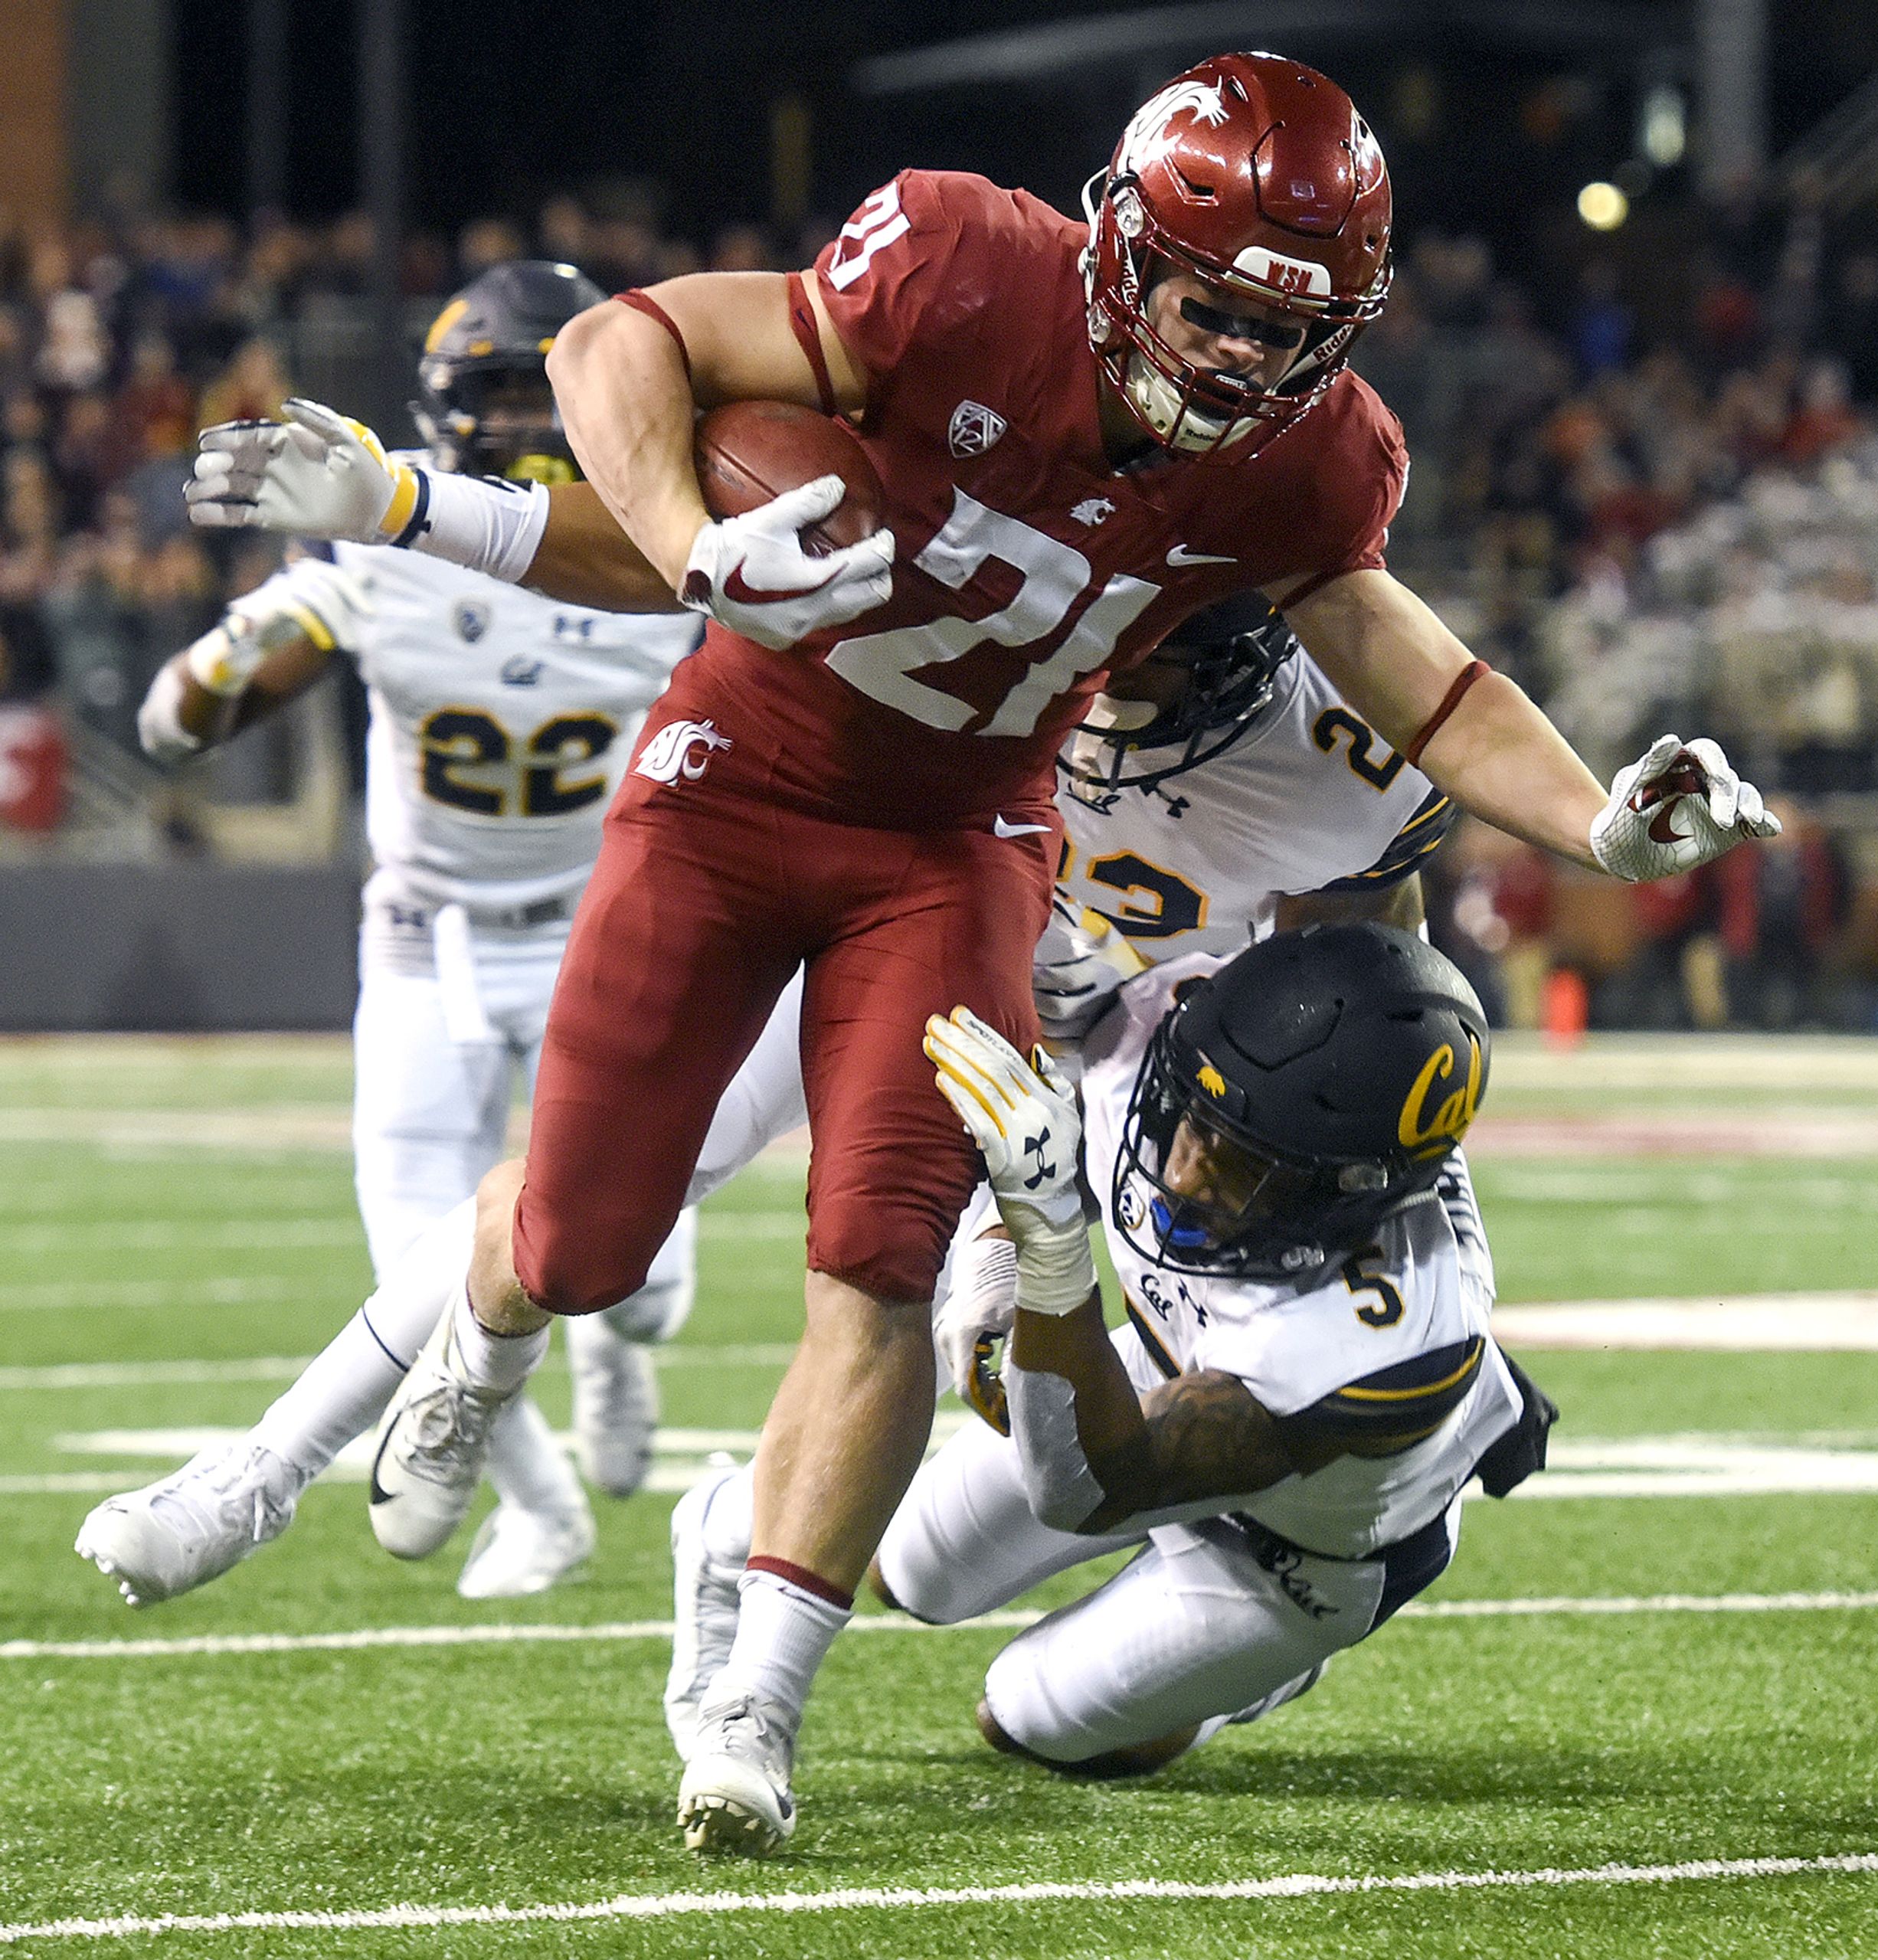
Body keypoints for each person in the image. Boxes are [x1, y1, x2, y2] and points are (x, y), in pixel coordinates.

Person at [185, 51, 1772, 1857]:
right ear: (1121, 250)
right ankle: (330, 1437)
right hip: (861, 847)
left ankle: (770, 1660)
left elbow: (1398, 820)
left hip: (1035, 979)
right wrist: (608, 536)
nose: (1247, 360)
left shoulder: (1309, 585)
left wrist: (1589, 830)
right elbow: (632, 362)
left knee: (921, 1379)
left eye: (1288, 327)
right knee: (598, 1194)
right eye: (1213, 307)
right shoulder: (952, 271)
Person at [79, 263, 702, 1607]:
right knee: (420, 1259)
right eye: (497, 397)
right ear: (440, 404)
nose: (527, 431)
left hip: (607, 925)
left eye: (547, 397)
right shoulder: (388, 520)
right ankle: (541, 1506)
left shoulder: (673, 521)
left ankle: (617, 1345)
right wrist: (210, 681)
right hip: (425, 936)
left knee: (634, 1281)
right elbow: (238, 666)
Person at [666, 924, 1552, 1827]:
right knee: (912, 1573)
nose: (1187, 1167)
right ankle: (723, 1520)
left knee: (1024, 1716)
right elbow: (1029, 1120)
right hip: (1169, 1367)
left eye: (1244, 1164)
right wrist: (995, 1245)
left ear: (1350, 1194)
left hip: (1306, 1548)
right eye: (1195, 1122)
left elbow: (1088, 1488)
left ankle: (1259, 1674)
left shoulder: (1381, 1349)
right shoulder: (1166, 1036)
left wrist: (1049, 1238)